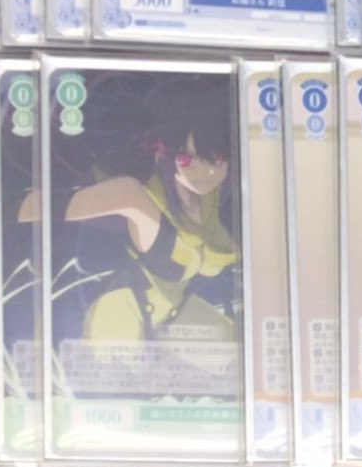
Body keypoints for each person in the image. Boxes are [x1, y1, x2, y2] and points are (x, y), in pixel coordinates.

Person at [64, 83, 237, 344]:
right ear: (163, 154)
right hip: (122, 316)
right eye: (187, 159)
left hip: (177, 315)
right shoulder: (139, 199)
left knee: (241, 351)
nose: (205, 172)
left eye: (216, 159)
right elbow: (41, 205)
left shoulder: (213, 200)